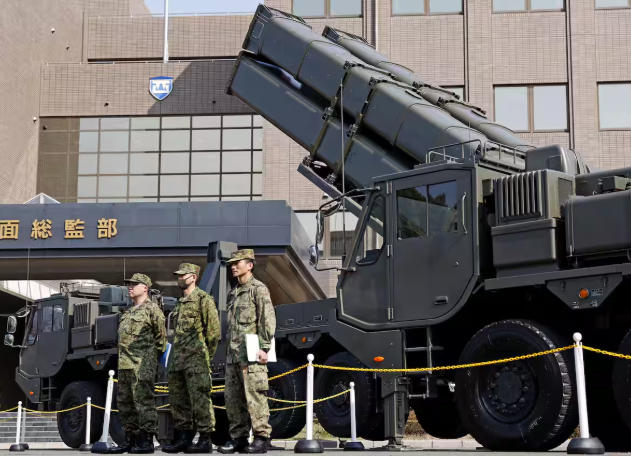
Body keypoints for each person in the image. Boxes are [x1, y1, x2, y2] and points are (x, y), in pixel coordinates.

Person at [218, 249, 276, 455]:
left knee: (255, 395)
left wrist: (264, 347)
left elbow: (267, 319)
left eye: (238, 263)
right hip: (233, 355)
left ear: (250, 265)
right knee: (233, 399)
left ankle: (261, 438)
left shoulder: (258, 289)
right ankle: (239, 438)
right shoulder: (233, 293)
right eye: (232, 264)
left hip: (252, 353)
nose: (233, 267)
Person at [163, 263, 220, 454]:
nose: (179, 278)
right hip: (178, 361)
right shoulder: (180, 303)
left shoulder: (204, 299)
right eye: (178, 275)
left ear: (194, 277)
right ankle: (184, 438)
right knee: (178, 401)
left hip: (196, 361)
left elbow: (213, 333)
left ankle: (205, 439)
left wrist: (204, 357)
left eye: (183, 275)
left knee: (200, 400)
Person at [109, 273, 166, 454]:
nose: (130, 287)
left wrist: (149, 359)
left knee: (143, 402)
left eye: (134, 284)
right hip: (124, 365)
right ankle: (130, 439)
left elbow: (161, 339)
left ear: (145, 288)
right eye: (129, 284)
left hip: (142, 365)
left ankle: (146, 441)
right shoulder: (128, 313)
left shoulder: (152, 310)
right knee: (125, 403)